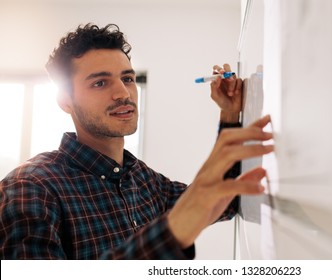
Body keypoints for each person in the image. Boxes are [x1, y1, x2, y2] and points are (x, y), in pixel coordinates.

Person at [0, 23, 273, 259]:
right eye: (99, 83)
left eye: (127, 78)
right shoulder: (30, 187)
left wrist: (230, 112)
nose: (123, 93)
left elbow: (226, 202)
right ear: (65, 101)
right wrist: (172, 232)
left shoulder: (144, 180)